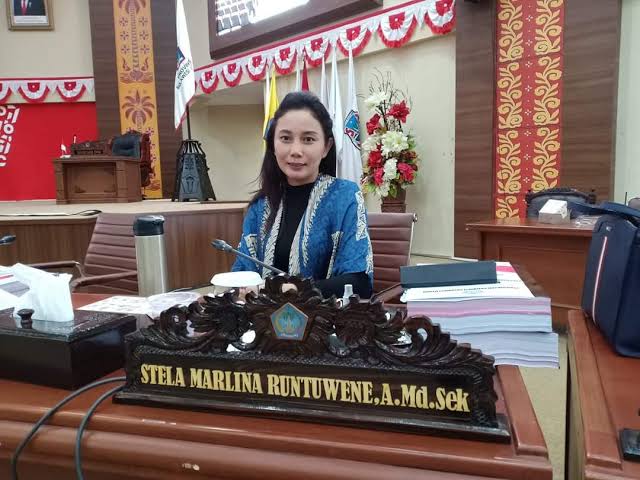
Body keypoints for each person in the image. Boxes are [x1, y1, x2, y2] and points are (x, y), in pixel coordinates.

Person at [231, 91, 373, 299]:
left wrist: (295, 290)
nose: (296, 150)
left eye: (308, 139)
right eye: (285, 138)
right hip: (263, 317)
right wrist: (241, 290)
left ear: (326, 147)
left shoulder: (345, 197)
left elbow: (359, 282)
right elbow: (240, 275)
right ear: (273, 145)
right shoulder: (260, 206)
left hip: (324, 317)